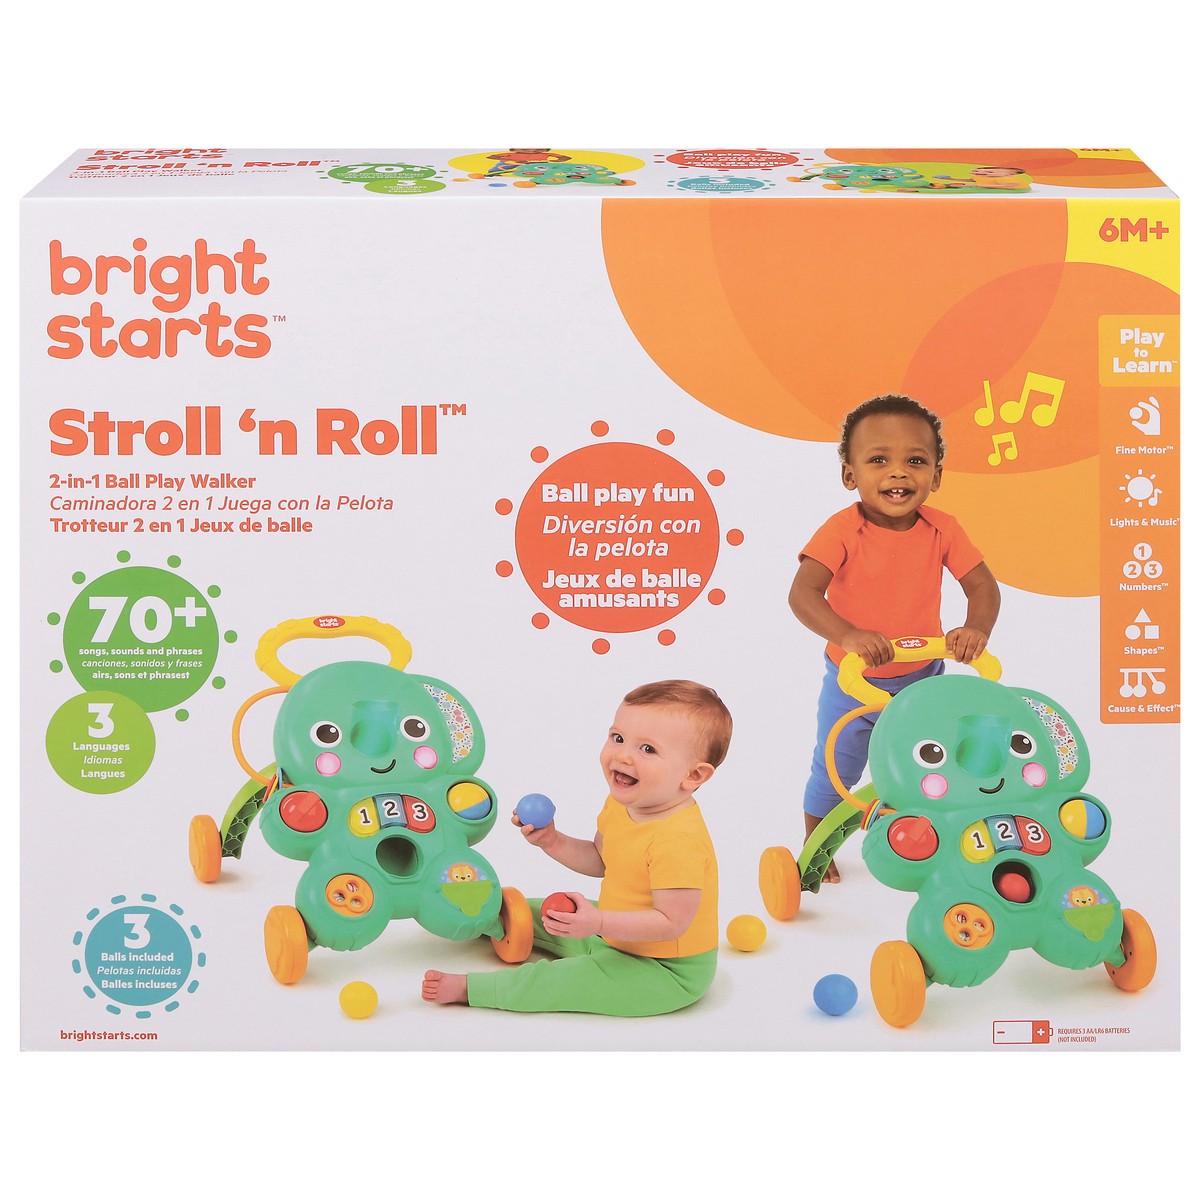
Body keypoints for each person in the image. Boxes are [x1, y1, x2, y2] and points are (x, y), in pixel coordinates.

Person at [421, 679, 731, 1015]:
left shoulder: (679, 840)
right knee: (528, 911)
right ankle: (472, 914)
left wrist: (598, 922)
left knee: (560, 981)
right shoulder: (624, 805)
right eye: (618, 738)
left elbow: (671, 922)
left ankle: (473, 988)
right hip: (611, 934)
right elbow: (601, 860)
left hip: (664, 969)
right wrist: (553, 841)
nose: (623, 755)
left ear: (693, 776)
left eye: (648, 749)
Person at [789, 394, 1000, 881]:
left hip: (923, 678)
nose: (898, 472)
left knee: (932, 763)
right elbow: (802, 594)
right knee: (837, 767)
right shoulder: (841, 531)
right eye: (879, 460)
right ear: (850, 475)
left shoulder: (943, 530)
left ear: (936, 476)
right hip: (852, 682)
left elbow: (983, 586)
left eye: (916, 461)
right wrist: (848, 635)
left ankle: (930, 840)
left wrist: (976, 629)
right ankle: (816, 846)